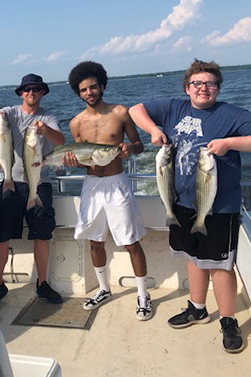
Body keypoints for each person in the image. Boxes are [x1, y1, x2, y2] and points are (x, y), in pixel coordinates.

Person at [129, 59, 251, 352]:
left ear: (218, 88)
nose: (203, 88)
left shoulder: (231, 114)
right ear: (187, 88)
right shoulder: (173, 107)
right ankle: (197, 308)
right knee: (193, 256)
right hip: (181, 203)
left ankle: (227, 320)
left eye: (210, 84)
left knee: (220, 265)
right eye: (197, 83)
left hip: (218, 206)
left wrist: (230, 143)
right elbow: (135, 110)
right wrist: (152, 130)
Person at [64, 61, 152, 320]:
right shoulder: (75, 123)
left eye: (93, 87)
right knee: (95, 241)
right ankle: (104, 289)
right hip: (92, 185)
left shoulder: (120, 113)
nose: (89, 93)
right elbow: (82, 157)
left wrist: (129, 149)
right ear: (78, 93)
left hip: (117, 183)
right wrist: (72, 162)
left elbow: (139, 145)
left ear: (102, 86)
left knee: (130, 241)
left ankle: (143, 294)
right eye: (83, 90)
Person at [0, 73, 65, 311]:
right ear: (21, 93)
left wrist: (45, 130)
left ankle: (42, 282)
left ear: (43, 92)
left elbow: (60, 140)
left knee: (42, 235)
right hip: (11, 183)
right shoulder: (9, 113)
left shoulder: (49, 117)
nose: (31, 92)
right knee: (2, 235)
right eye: (27, 89)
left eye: (36, 89)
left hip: (40, 182)